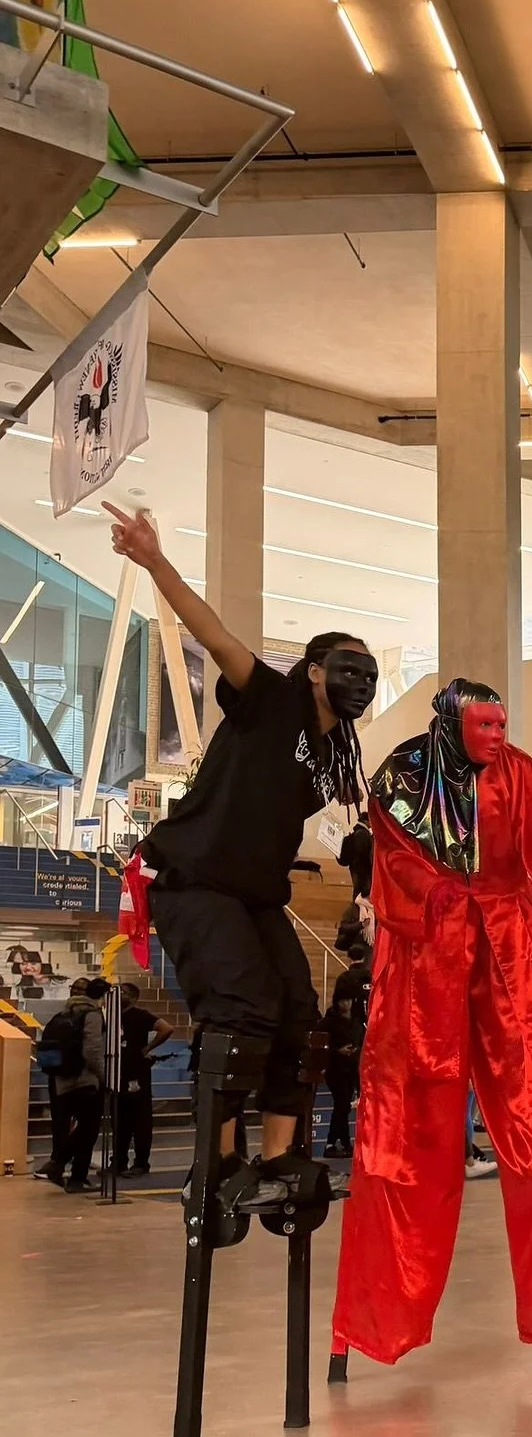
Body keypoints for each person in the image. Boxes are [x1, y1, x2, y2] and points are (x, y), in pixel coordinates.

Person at [331, 679, 532, 1376]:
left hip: (511, 953)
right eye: (486, 723)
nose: (499, 734)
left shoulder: (520, 772)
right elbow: (396, 869)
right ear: (453, 722)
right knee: (404, 1139)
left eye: (503, 722)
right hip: (428, 960)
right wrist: (443, 897)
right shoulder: (400, 780)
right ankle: (377, 1317)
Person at [105, 502, 375, 1214]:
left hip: (255, 893)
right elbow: (214, 634)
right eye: (347, 666)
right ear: (314, 671)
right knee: (241, 1012)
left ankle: (280, 1158)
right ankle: (216, 1165)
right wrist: (153, 560)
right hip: (193, 878)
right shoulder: (270, 700)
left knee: (300, 1017)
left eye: (370, 671)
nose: (360, 681)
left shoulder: (333, 752)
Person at [39, 977, 107, 1192]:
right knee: (89, 1130)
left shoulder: (62, 1014)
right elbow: (93, 1051)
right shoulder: (92, 1015)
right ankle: (73, 1174)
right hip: (85, 1080)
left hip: (62, 1080)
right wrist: (102, 1077)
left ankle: (59, 1163)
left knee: (73, 1128)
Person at [116, 981, 175, 1177]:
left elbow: (166, 1028)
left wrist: (148, 1048)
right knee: (120, 1119)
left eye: (123, 992)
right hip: (119, 1072)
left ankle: (141, 1163)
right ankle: (118, 1161)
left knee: (140, 1119)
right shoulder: (113, 1016)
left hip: (137, 1072)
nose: (119, 995)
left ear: (133, 997)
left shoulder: (141, 1015)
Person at [321, 975, 366, 1156]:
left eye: (348, 1000)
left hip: (352, 1068)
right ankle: (332, 1143)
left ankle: (343, 1144)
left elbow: (362, 1041)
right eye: (343, 1001)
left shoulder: (356, 1022)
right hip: (335, 1068)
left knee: (344, 1106)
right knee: (342, 1105)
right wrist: (337, 1051)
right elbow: (321, 1043)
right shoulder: (329, 1021)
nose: (346, 1004)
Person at [338, 810, 373, 898]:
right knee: (362, 890)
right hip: (361, 868)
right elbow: (362, 853)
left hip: (355, 867)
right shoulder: (362, 834)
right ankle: (358, 909)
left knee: (358, 889)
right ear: (366, 821)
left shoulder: (358, 832)